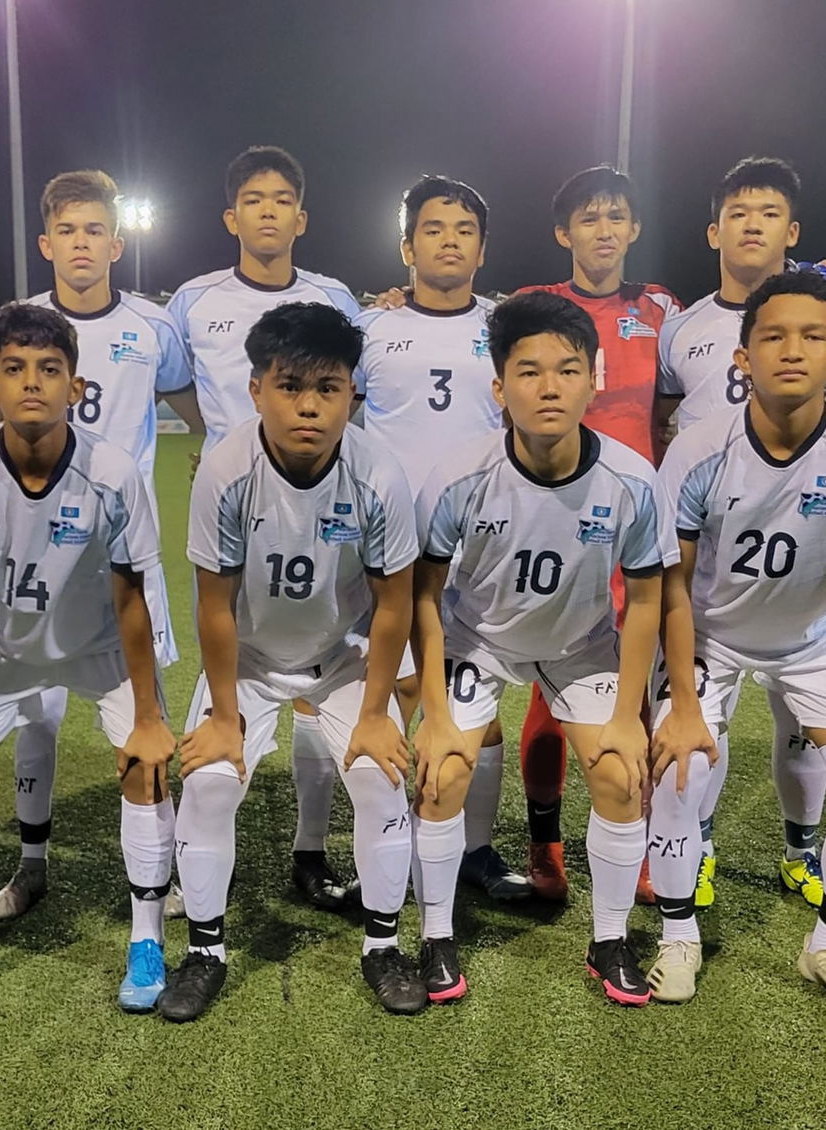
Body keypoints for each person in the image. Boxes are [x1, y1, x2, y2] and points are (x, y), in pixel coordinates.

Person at [644, 271, 826, 1013]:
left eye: (813, 336)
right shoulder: (698, 449)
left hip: (812, 640)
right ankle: (677, 935)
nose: (792, 350)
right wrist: (687, 700)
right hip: (712, 636)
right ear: (743, 357)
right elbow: (673, 586)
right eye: (773, 336)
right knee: (676, 764)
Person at [166, 302, 426, 1021]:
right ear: (256, 390)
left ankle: (383, 946)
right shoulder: (225, 469)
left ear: (352, 394)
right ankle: (204, 951)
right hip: (248, 660)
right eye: (290, 386)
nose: (309, 406)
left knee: (379, 780)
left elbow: (394, 604)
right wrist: (223, 716)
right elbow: (213, 606)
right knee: (211, 783)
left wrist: (376, 713)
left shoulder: (377, 470)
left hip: (341, 657)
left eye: (329, 387)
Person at [0, 302, 175, 1012]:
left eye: (51, 370)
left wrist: (147, 717)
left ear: (76, 387)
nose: (33, 382)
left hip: (98, 645)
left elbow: (133, 601)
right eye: (15, 368)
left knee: (147, 765)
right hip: (8, 643)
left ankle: (146, 942)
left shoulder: (115, 473)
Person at [655, 157, 826, 911]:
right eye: (738, 211)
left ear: (792, 231)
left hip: (808, 565)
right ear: (714, 230)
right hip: (712, 558)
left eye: (768, 212)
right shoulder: (683, 326)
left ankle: (800, 852)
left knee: (810, 737)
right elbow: (663, 425)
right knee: (685, 755)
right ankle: (695, 860)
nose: (752, 223)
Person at [410, 291, 664, 1006]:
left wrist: (626, 717)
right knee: (442, 772)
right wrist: (433, 710)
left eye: (567, 369)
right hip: (478, 638)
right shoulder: (459, 475)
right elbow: (423, 596)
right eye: (527, 372)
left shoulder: (631, 480)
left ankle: (609, 939)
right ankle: (435, 936)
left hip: (578, 645)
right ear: (499, 388)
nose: (548, 387)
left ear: (596, 378)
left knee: (619, 773)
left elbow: (644, 600)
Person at [0, 169, 198, 920]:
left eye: (95, 230)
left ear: (117, 243)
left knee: (145, 732)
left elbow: (199, 410)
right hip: (28, 560)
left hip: (117, 562)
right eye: (67, 231)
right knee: (36, 717)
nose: (81, 243)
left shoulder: (152, 329)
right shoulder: (15, 322)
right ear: (46, 242)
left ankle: (167, 877)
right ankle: (31, 867)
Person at [166, 146, 364, 912]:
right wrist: (221, 447)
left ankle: (309, 850)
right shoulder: (194, 299)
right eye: (254, 199)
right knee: (237, 642)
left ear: (301, 217)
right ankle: (199, 864)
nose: (269, 211)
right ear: (232, 216)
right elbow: (181, 384)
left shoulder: (335, 297)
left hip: (317, 501)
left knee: (321, 656)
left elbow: (350, 384)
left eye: (283, 198)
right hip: (235, 504)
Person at [352, 174, 528, 902]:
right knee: (391, 695)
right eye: (433, 228)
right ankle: (394, 845)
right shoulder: (370, 328)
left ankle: (475, 852)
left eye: (463, 230)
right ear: (406, 246)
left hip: (480, 546)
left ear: (482, 250)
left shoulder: (509, 327)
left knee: (472, 702)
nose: (448, 240)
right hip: (389, 550)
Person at [512, 165, 680, 903]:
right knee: (553, 691)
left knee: (633, 689)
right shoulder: (530, 306)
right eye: (588, 218)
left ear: (633, 229)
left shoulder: (663, 310)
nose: (604, 230)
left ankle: (634, 842)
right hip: (554, 522)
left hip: (635, 525)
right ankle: (545, 843)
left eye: (616, 216)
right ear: (564, 233)